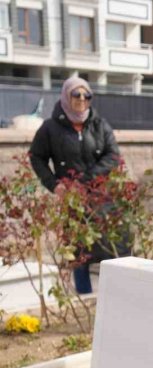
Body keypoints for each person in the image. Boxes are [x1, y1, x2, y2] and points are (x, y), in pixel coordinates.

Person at [30, 76, 121, 294]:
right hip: (73, 201)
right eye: (76, 94)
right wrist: (55, 185)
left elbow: (113, 155)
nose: (82, 99)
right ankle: (85, 295)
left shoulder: (99, 124)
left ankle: (112, 298)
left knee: (111, 249)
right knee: (80, 251)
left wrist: (86, 179)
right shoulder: (50, 128)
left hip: (102, 198)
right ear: (65, 96)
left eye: (86, 95)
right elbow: (36, 157)